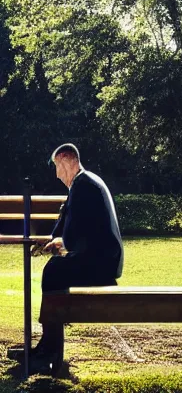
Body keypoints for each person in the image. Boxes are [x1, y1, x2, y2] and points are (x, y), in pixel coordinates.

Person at [10, 143, 124, 374]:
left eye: (56, 166)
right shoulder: (85, 182)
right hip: (104, 260)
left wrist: (59, 243)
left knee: (53, 271)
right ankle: (47, 347)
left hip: (102, 263)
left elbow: (72, 233)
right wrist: (56, 241)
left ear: (65, 158)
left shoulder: (83, 184)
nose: (56, 173)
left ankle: (48, 350)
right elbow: (77, 229)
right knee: (56, 271)